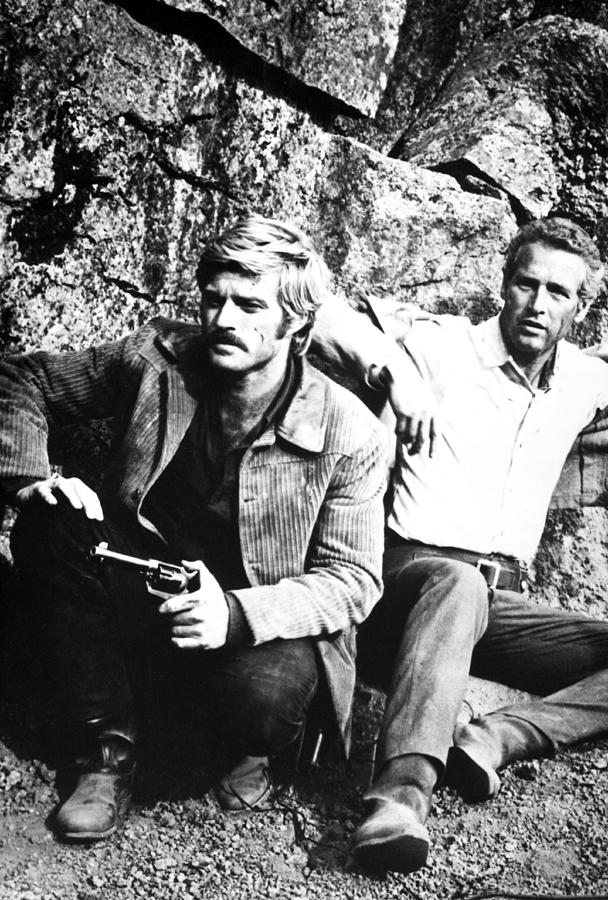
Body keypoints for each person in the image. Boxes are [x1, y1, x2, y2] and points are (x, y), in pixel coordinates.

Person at [311, 216, 608, 873]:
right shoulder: (440, 345)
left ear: (581, 308)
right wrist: (393, 374)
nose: (538, 303)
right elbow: (317, 308)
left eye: (559, 292)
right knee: (456, 583)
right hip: (402, 582)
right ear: (503, 285)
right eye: (526, 284)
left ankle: (497, 736)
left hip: (498, 604)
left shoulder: (586, 379)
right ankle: (399, 799)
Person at [0, 214, 386, 842]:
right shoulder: (157, 361)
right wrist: (29, 478)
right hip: (137, 590)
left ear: (296, 323)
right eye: (215, 299)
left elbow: (354, 580)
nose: (224, 320)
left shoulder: (350, 432)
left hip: (253, 625)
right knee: (53, 520)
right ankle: (108, 753)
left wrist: (233, 614)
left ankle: (242, 751)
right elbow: (25, 377)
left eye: (251, 304)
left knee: (264, 702)